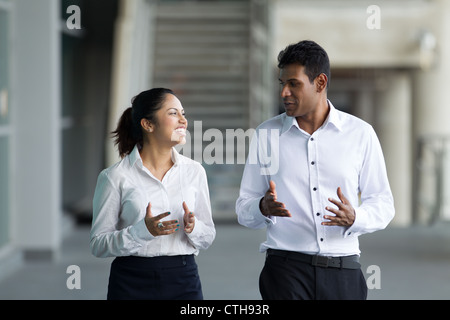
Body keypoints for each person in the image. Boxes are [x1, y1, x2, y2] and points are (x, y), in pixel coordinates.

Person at [236, 40, 395, 300]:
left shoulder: (360, 134)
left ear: (320, 83)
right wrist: (262, 207)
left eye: (293, 84)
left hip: (344, 272)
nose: (284, 93)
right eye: (282, 84)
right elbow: (244, 208)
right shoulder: (266, 135)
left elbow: (383, 204)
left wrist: (355, 217)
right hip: (285, 273)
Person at [90, 88, 216, 300]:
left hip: (183, 279)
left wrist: (193, 227)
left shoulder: (195, 172)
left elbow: (208, 236)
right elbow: (98, 245)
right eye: (173, 113)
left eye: (183, 113)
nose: (183, 120)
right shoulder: (114, 177)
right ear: (148, 124)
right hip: (131, 281)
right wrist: (142, 231)